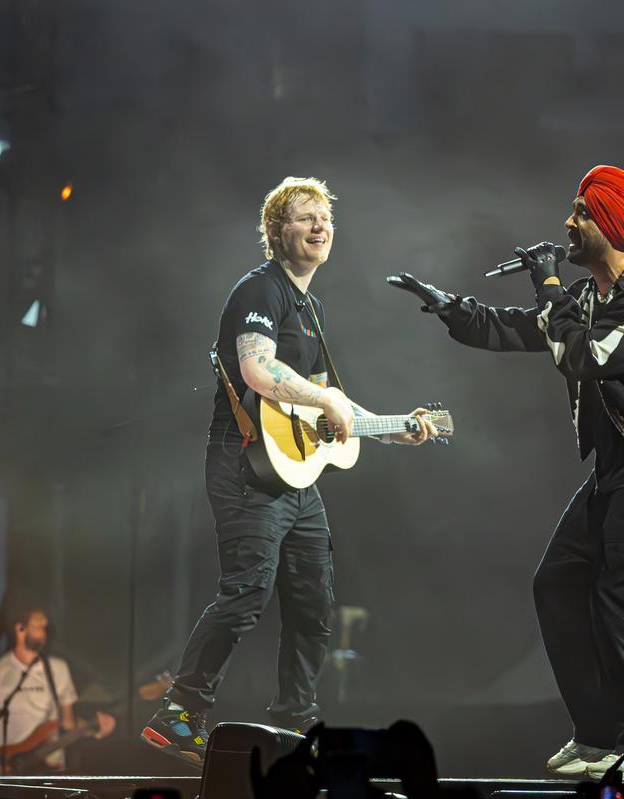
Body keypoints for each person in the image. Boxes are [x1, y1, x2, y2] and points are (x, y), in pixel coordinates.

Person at [389, 165, 624, 783]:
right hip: (616, 466)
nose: (568, 222)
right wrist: (453, 309)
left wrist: (550, 282)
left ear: (611, 227)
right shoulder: (590, 298)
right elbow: (522, 328)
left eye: (582, 213)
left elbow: (581, 357)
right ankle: (596, 735)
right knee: (557, 584)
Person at [141, 176, 437, 770]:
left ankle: (294, 724)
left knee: (313, 603)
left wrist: (390, 425)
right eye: (305, 217)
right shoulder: (260, 288)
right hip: (245, 464)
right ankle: (179, 712)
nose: (319, 226)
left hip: (296, 478)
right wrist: (327, 404)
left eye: (325, 217)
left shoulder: (312, 308)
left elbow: (328, 398)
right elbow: (255, 368)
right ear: (277, 232)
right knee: (247, 592)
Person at [0, 607, 115, 775]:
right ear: (20, 628)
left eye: (46, 627)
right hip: (10, 769)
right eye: (38, 626)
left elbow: (68, 723)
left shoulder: (58, 668)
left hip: (52, 770)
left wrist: (93, 729)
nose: (44, 632)